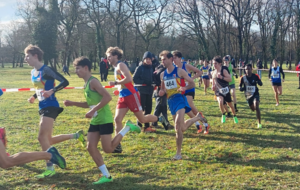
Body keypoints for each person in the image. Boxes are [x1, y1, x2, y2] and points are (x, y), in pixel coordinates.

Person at [64, 57, 141, 185]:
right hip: (96, 120)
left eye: (78, 68)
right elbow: (90, 104)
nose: (76, 71)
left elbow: (108, 97)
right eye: (75, 68)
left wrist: (93, 111)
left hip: (104, 119)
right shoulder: (86, 83)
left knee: (109, 149)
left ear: (86, 68)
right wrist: (72, 103)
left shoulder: (93, 81)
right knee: (90, 146)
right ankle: (106, 175)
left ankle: (127, 127)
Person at [24, 44, 85, 178]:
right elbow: (39, 88)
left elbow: (65, 81)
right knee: (48, 140)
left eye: (27, 56)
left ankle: (50, 168)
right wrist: (34, 97)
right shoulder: (32, 72)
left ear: (35, 56)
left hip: (51, 105)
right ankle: (76, 135)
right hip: (42, 105)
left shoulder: (46, 69)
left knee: (41, 137)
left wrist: (52, 90)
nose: (25, 59)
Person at [106, 47, 167, 153]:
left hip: (131, 94)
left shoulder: (121, 65)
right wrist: (118, 89)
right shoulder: (116, 67)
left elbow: (129, 79)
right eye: (107, 57)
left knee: (142, 119)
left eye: (109, 56)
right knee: (117, 120)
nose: (108, 59)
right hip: (123, 95)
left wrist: (115, 83)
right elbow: (124, 81)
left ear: (116, 56)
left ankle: (159, 119)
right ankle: (117, 145)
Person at [159, 51, 207, 160]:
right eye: (161, 60)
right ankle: (197, 118)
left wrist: (184, 88)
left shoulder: (180, 71)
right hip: (171, 101)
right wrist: (161, 92)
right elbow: (162, 88)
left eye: (164, 59)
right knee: (181, 128)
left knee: (176, 125)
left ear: (171, 59)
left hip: (180, 99)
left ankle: (178, 153)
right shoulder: (162, 74)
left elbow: (192, 83)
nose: (163, 61)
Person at [172, 51, 209, 134]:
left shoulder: (186, 66)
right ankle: (197, 123)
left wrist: (192, 78)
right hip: (181, 90)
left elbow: (199, 72)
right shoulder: (174, 68)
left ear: (179, 58)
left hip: (189, 88)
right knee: (186, 108)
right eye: (173, 58)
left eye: (175, 58)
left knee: (189, 104)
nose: (173, 60)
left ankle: (205, 124)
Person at [133, 51, 155, 132]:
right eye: (146, 59)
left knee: (149, 108)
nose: (148, 60)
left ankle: (147, 126)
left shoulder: (151, 68)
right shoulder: (140, 67)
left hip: (149, 91)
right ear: (144, 59)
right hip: (141, 91)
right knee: (141, 109)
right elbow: (134, 79)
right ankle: (139, 125)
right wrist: (144, 82)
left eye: (149, 59)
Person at [211, 56, 238, 124]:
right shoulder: (213, 72)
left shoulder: (224, 70)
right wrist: (213, 85)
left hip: (225, 89)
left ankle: (234, 116)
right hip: (218, 90)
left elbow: (230, 79)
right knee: (220, 101)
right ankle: (223, 114)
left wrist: (222, 77)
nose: (214, 65)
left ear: (220, 63)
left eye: (215, 63)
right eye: (213, 63)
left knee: (230, 105)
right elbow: (213, 79)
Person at [239, 64, 263, 128]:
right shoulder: (243, 78)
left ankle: (259, 123)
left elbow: (260, 83)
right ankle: (257, 112)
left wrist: (259, 83)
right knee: (253, 109)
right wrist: (241, 88)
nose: (247, 70)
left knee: (256, 105)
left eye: (248, 69)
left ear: (251, 69)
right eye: (246, 69)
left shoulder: (255, 76)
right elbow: (240, 86)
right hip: (248, 95)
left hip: (255, 93)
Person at [152, 62, 173, 130]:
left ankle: (165, 122)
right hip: (160, 90)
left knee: (162, 106)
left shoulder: (159, 69)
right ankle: (155, 122)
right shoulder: (162, 70)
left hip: (160, 90)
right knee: (160, 107)